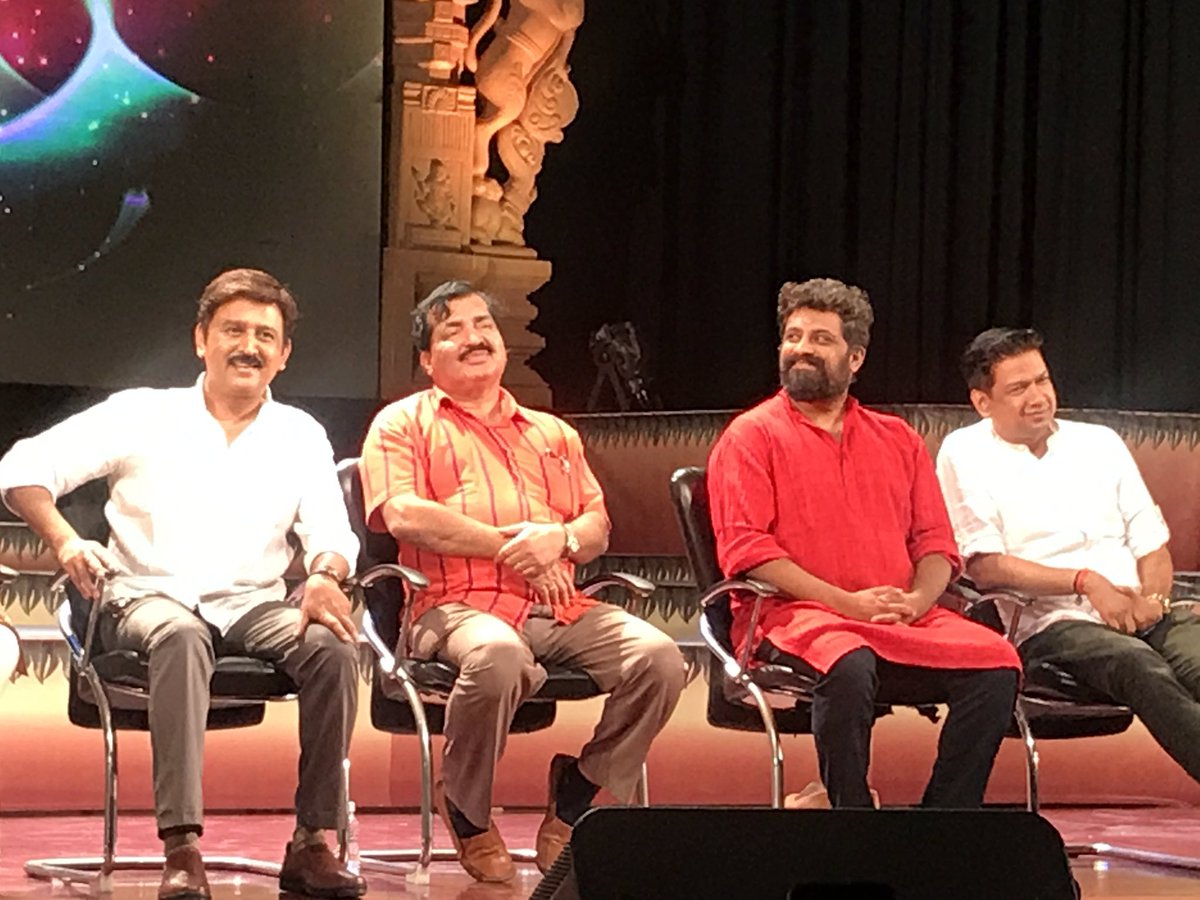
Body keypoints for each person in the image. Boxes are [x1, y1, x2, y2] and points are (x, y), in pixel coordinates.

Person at [0, 269, 366, 900]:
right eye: (233, 330)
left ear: (283, 354)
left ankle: (312, 842)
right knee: (179, 633)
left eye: (264, 335)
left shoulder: (300, 434)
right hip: (143, 597)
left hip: (251, 604)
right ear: (202, 340)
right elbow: (23, 466)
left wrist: (325, 575)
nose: (248, 346)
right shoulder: (143, 413)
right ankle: (182, 847)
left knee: (332, 645)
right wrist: (65, 541)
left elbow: (331, 531)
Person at [358, 280, 684, 883]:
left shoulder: (552, 433)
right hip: (451, 607)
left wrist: (559, 540)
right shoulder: (401, 424)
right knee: (499, 655)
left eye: (483, 324)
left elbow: (596, 526)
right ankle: (467, 809)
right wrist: (513, 548)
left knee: (660, 659)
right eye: (452, 330)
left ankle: (578, 792)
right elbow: (402, 514)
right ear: (427, 359)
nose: (474, 337)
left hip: (555, 607)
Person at [706, 278, 1021, 810]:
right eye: (793, 336)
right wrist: (846, 604)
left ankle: (945, 822)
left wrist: (917, 602)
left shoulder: (898, 438)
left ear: (855, 358)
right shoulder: (750, 435)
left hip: (899, 617)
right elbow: (748, 551)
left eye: (820, 339)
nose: (801, 348)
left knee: (997, 661)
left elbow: (936, 544)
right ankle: (851, 820)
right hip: (795, 617)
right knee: (848, 662)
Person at [936, 326, 1200, 781]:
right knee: (1138, 665)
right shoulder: (964, 453)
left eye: (1042, 380)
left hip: (1141, 610)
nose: (1037, 397)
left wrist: (1153, 601)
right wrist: (1087, 582)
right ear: (982, 402)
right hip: (1050, 624)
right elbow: (986, 566)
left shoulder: (1099, 443)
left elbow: (1151, 545)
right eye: (1018, 388)